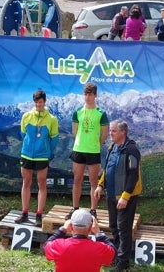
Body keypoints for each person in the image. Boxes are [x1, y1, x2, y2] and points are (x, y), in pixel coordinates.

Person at [94, 120, 142, 271]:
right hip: (111, 194)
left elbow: (133, 175)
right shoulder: (112, 147)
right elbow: (108, 168)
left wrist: (125, 196)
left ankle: (123, 262)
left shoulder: (132, 150)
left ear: (123, 132)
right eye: (110, 131)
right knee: (114, 226)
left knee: (124, 228)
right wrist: (100, 185)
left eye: (113, 131)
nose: (110, 133)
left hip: (125, 197)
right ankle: (115, 255)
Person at [15, 90, 59, 227]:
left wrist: (47, 152)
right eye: (36, 102)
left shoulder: (52, 119)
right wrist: (29, 146)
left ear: (44, 102)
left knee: (41, 184)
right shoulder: (26, 116)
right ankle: (24, 213)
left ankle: (39, 214)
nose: (38, 104)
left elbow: (54, 139)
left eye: (40, 102)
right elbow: (23, 134)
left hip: (42, 156)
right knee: (26, 182)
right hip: (27, 154)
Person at [66, 82, 109, 220]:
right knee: (77, 180)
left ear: (95, 95)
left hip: (93, 151)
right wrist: (82, 141)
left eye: (90, 94)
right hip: (78, 149)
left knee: (93, 182)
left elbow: (104, 134)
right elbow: (74, 131)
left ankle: (93, 210)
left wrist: (96, 144)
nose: (87, 97)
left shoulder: (101, 113)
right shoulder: (77, 112)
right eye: (85, 94)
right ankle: (75, 208)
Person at [44, 209, 116, 272]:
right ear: (90, 227)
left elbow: (46, 245)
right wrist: (98, 233)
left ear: (71, 226)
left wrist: (63, 229)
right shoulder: (100, 248)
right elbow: (113, 253)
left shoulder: (59, 245)